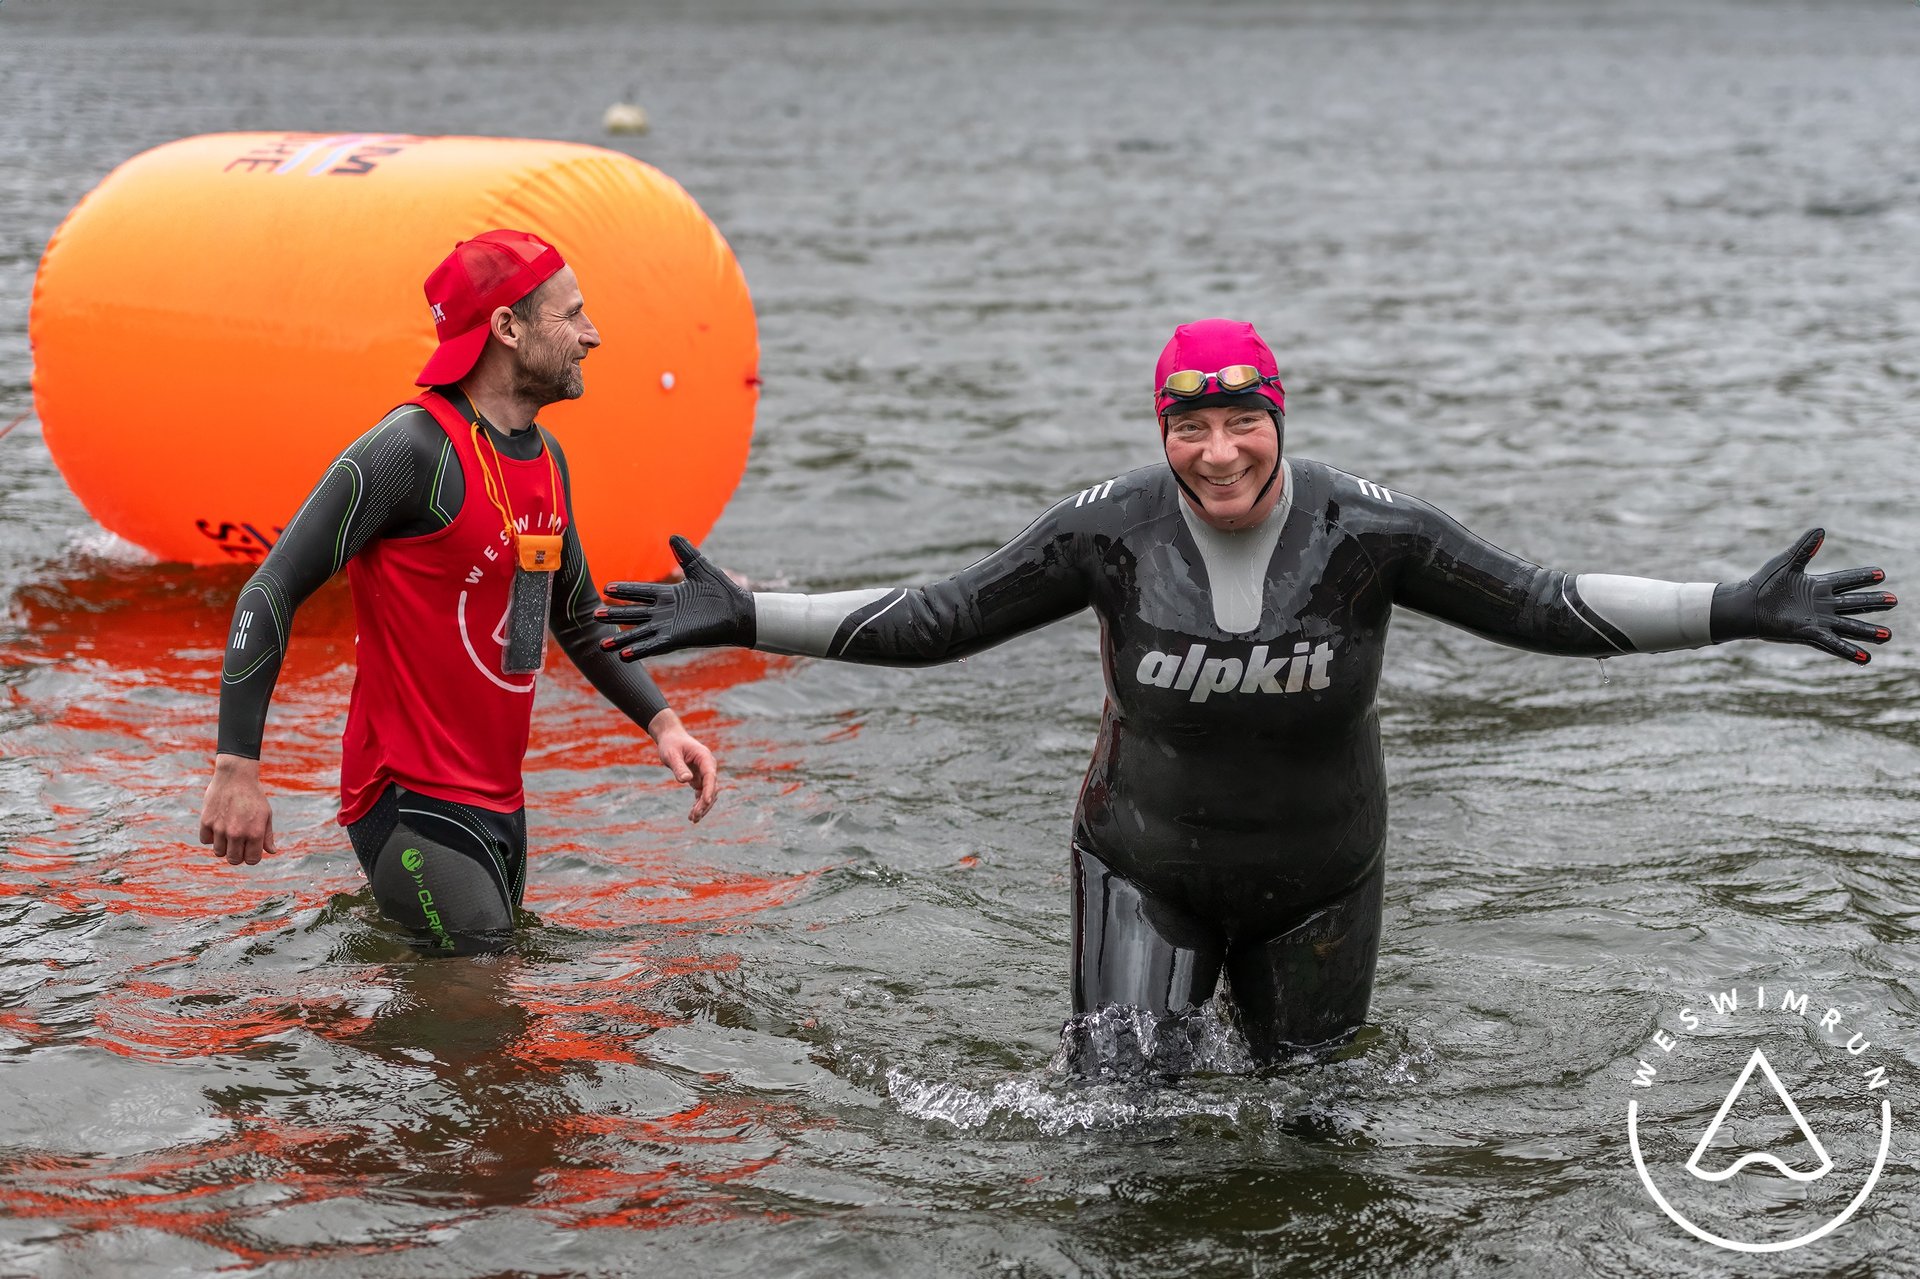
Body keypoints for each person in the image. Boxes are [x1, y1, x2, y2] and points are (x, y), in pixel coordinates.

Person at [594, 317, 1896, 1067]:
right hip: (1142, 865)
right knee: (1117, 1125)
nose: (1218, 453)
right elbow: (942, 618)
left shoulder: (1369, 531)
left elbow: (1544, 604)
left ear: (1280, 416)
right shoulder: (1106, 530)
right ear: (1162, 430)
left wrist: (1734, 606)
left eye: (1242, 423)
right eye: (1189, 427)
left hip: (1322, 879)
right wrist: (750, 612)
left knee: (1317, 1121)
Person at [199, 228, 718, 954]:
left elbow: (575, 617)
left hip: (501, 802)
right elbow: (270, 590)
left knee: (477, 1002)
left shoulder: (546, 459)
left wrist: (664, 724)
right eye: (571, 314)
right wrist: (237, 768)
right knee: (483, 1001)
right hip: (408, 797)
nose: (592, 334)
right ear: (507, 327)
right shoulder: (412, 448)